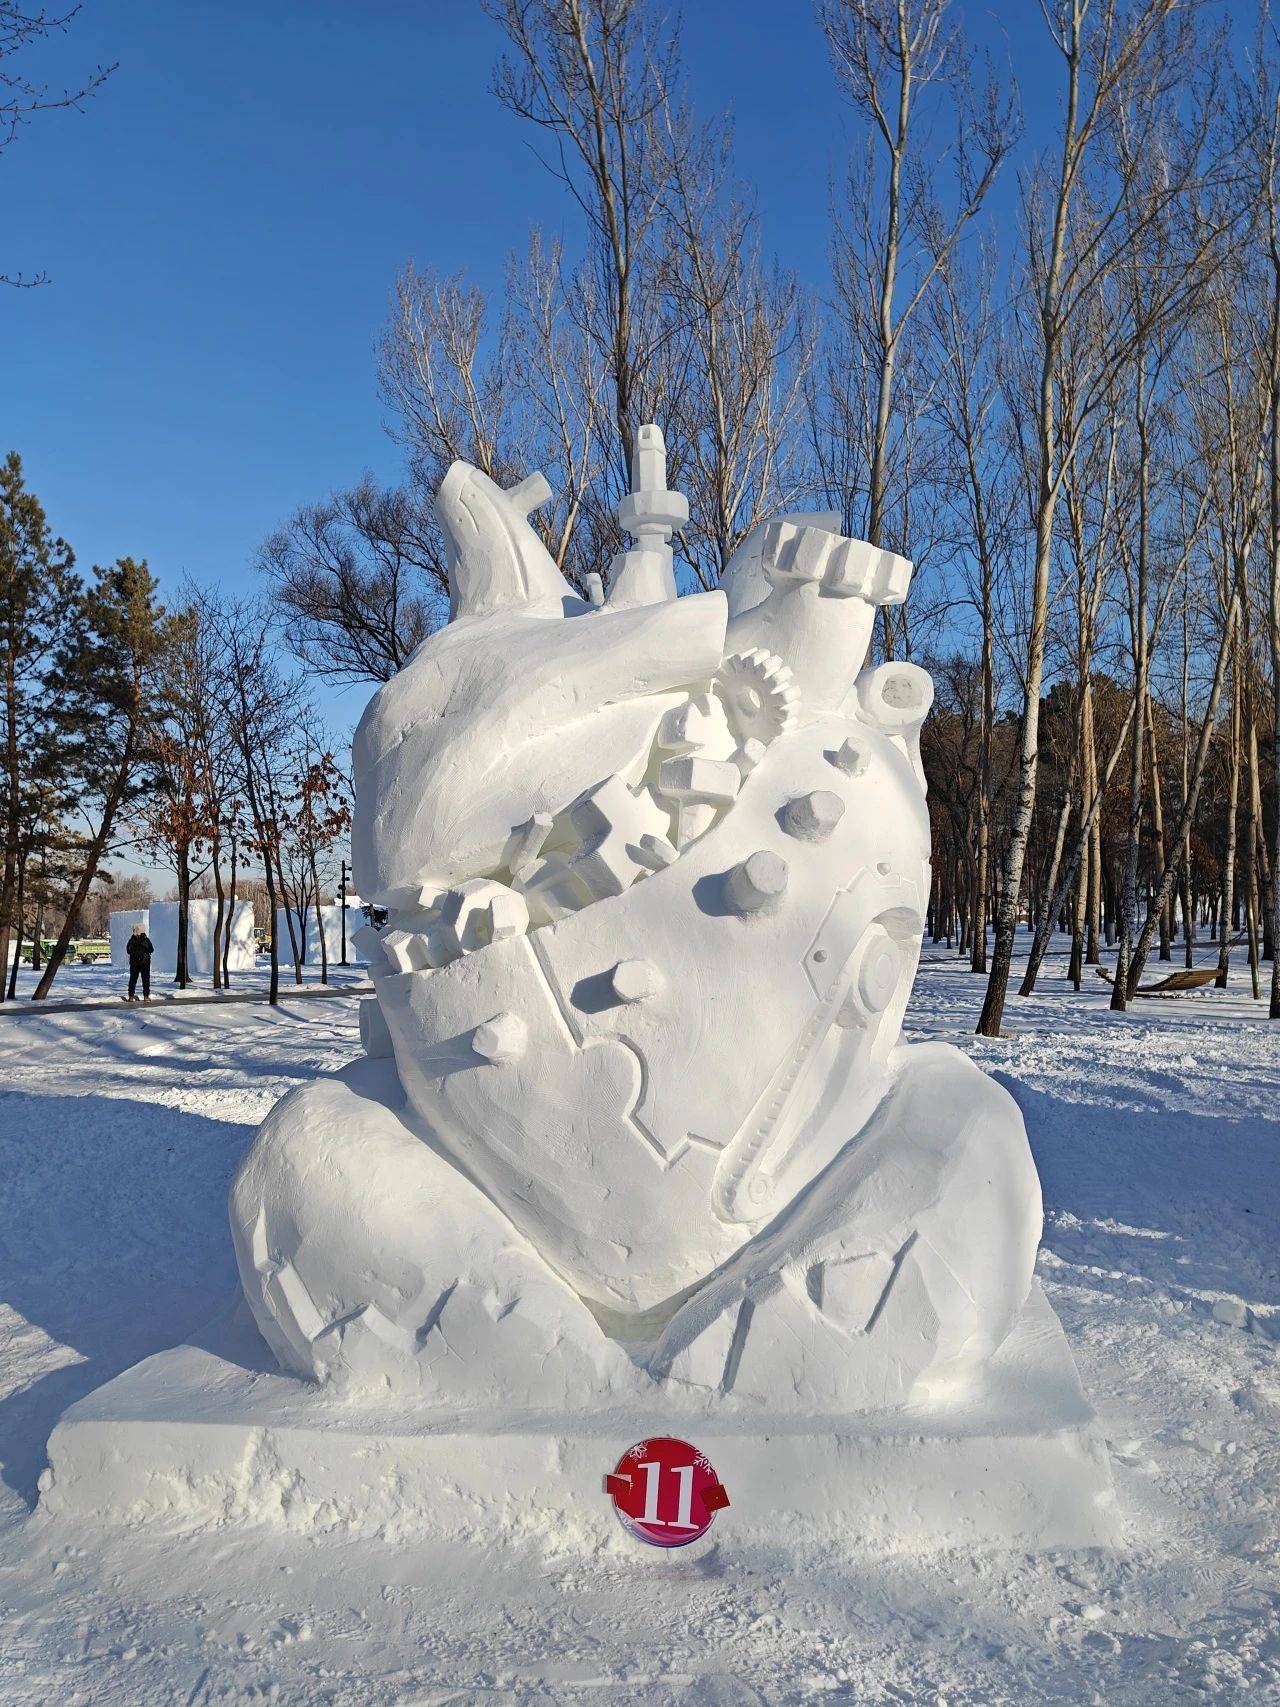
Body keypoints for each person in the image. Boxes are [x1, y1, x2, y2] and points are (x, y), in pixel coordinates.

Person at [126, 922, 154, 1002]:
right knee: (145, 980)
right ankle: (146, 996)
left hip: (134, 963)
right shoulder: (146, 940)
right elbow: (151, 950)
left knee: (133, 980)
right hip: (145, 963)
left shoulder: (131, 940)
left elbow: (128, 951)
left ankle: (131, 996)